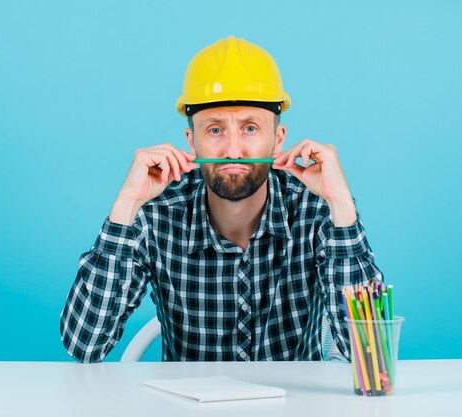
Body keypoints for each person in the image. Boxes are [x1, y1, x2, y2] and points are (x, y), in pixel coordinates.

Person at [60, 35, 383, 363]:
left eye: (250, 128)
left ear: (277, 140)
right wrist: (126, 205)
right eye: (215, 130)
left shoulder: (317, 209)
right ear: (192, 142)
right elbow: (84, 345)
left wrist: (340, 202)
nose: (232, 150)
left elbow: (372, 351)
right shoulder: (154, 215)